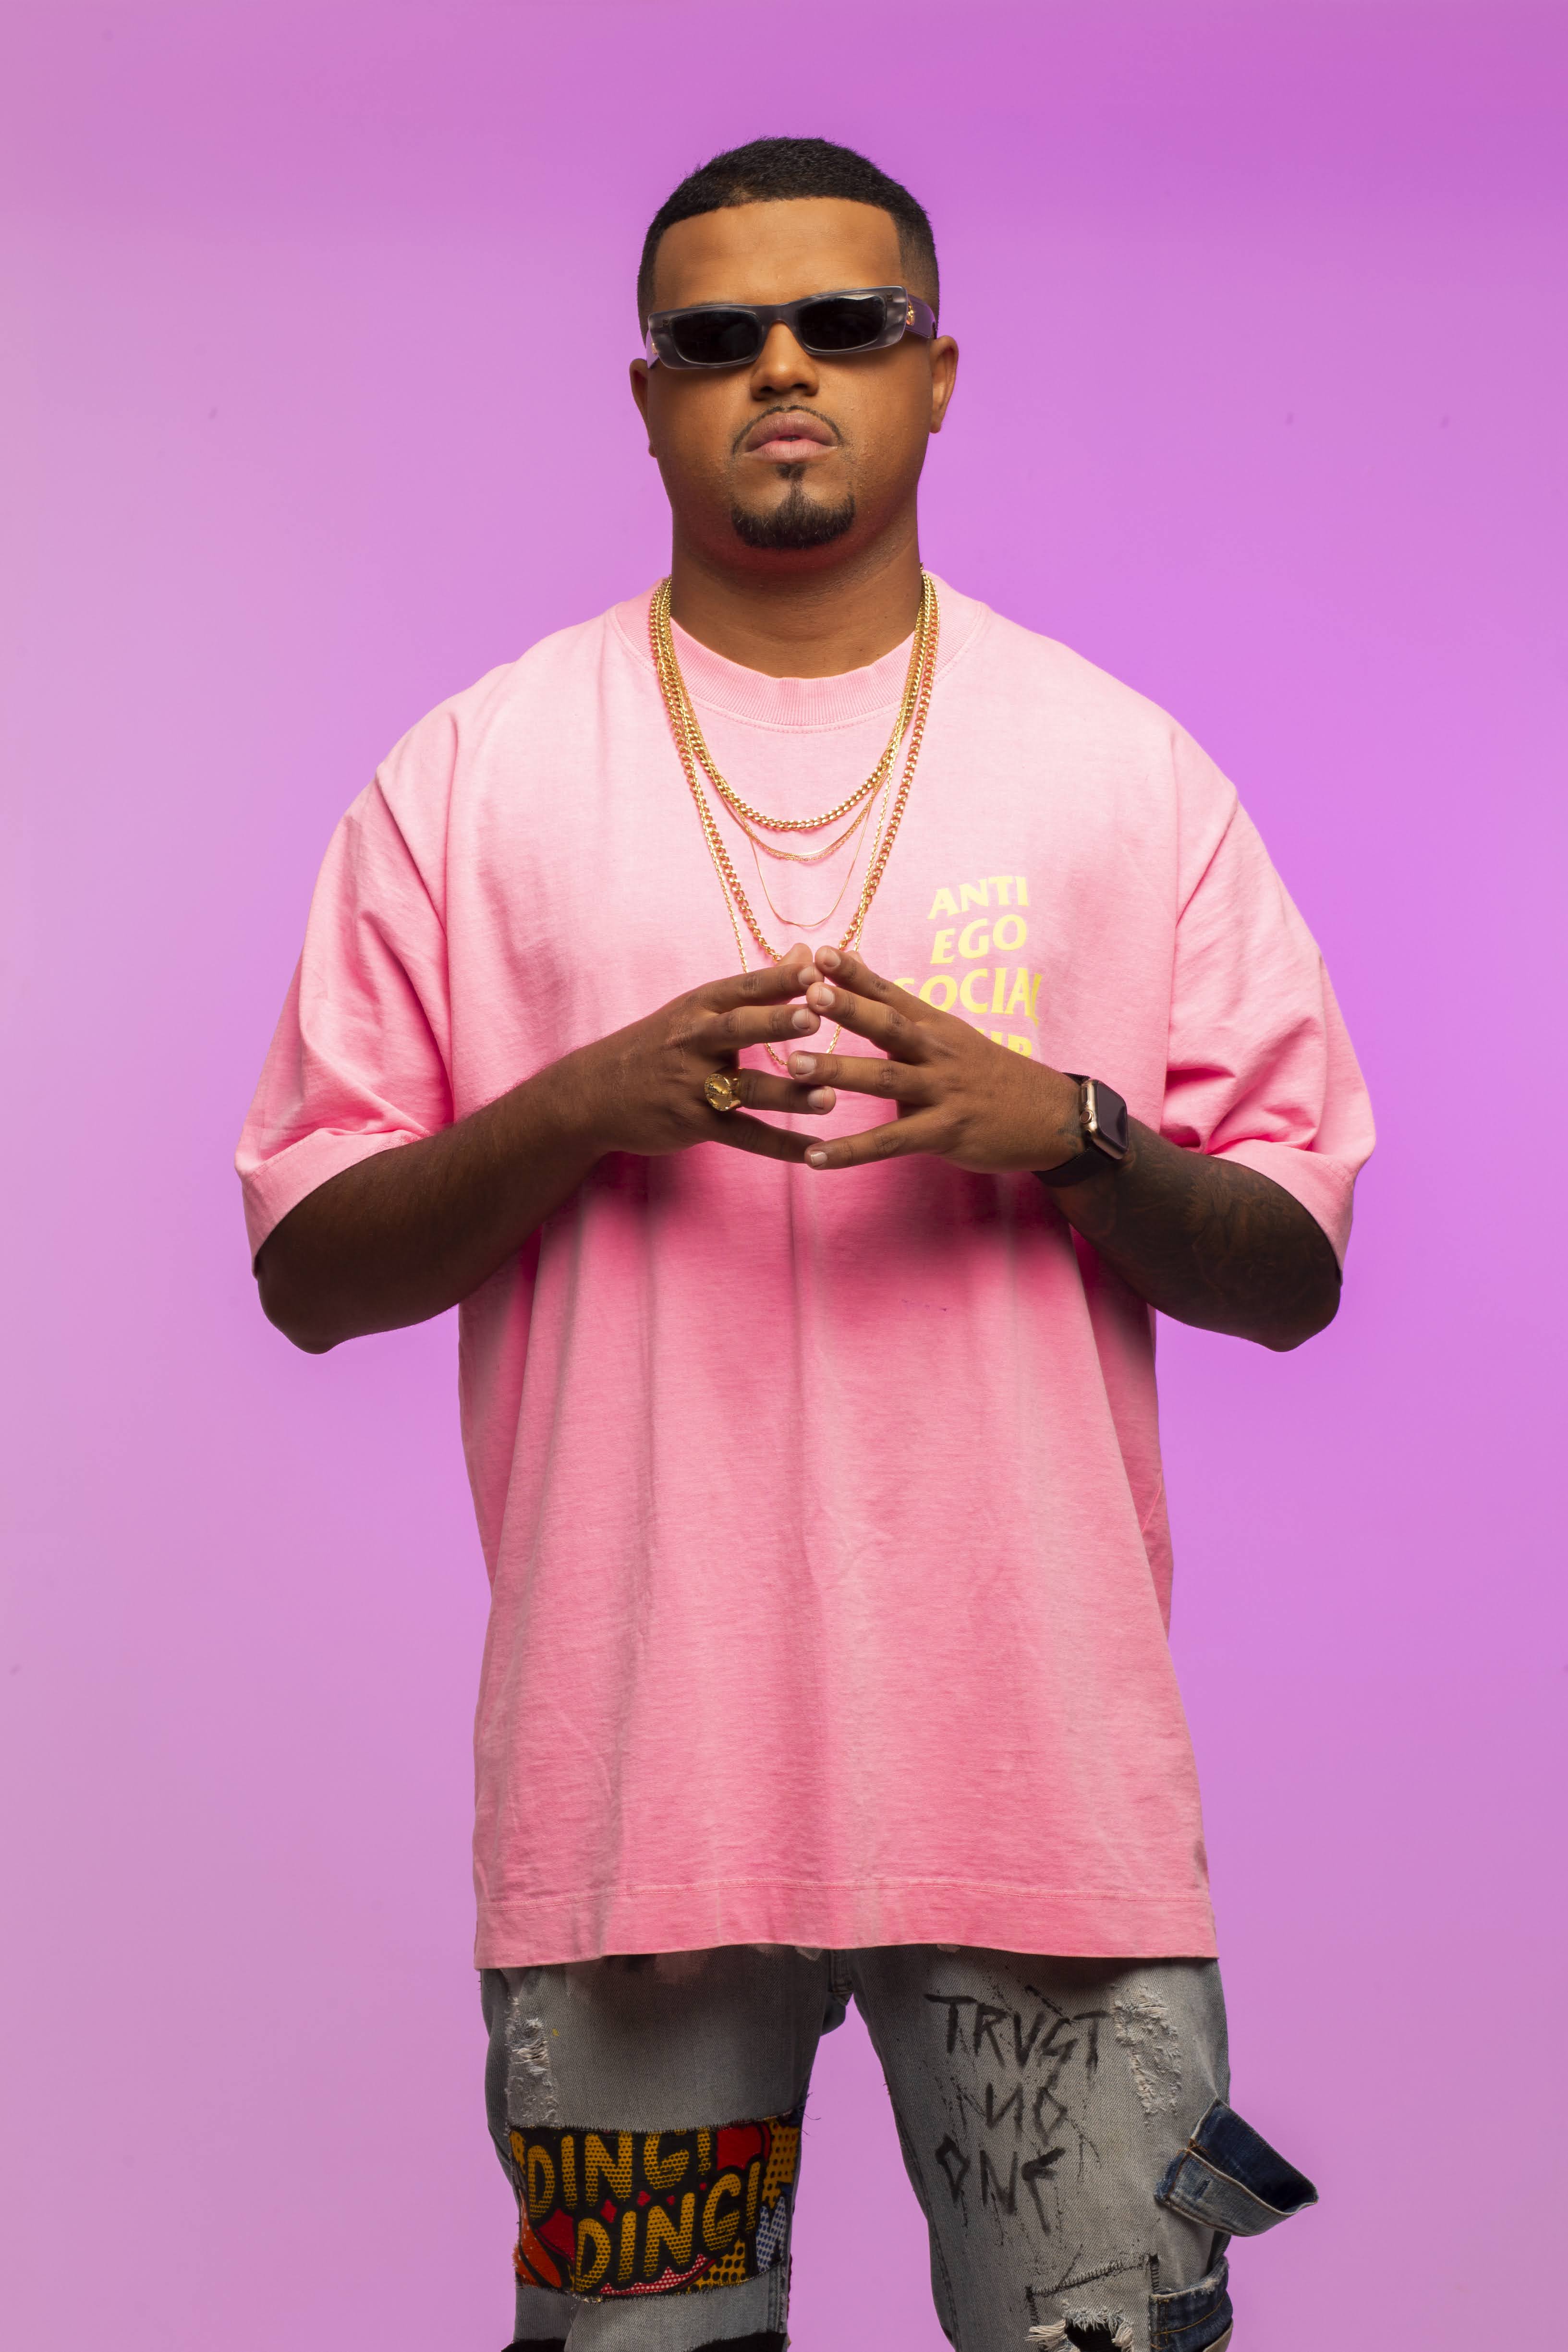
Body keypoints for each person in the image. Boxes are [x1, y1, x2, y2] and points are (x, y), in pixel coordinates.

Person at [238, 137, 1371, 2352]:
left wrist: (1066, 1132)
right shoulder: (471, 776)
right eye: (718, 334)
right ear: (646, 393)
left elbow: (1295, 1266)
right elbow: (307, 1268)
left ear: (934, 374)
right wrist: (575, 1104)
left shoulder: (1121, 770)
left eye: (844, 326)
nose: (783, 369)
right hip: (633, 1807)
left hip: (1044, 1811)